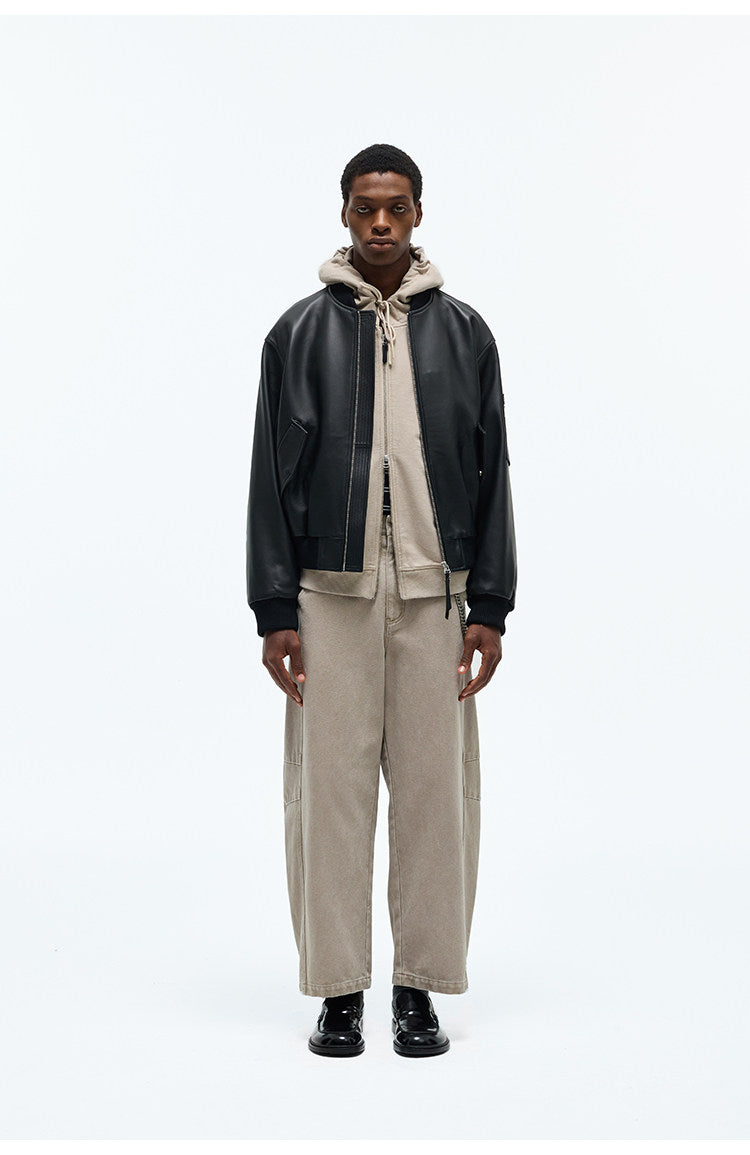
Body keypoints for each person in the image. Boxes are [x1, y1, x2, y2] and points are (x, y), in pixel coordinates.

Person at [245, 143, 517, 1058]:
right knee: (329, 796)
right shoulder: (297, 334)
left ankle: (419, 986)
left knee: (436, 798)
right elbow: (267, 478)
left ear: (419, 213)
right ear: (344, 213)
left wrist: (492, 604)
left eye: (396, 206)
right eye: (366, 207)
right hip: (329, 597)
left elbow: (493, 471)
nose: (381, 223)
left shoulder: (466, 334)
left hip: (438, 596)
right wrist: (275, 610)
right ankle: (338, 990)